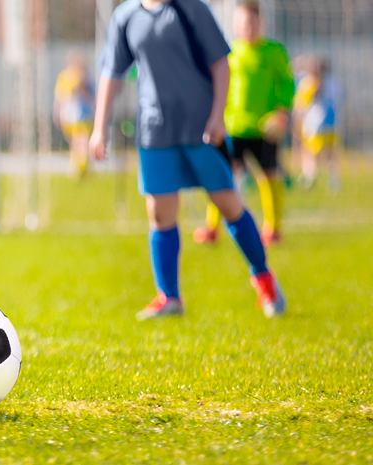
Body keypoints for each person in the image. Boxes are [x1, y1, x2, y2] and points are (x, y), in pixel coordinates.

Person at [89, 0, 284, 321]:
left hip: (202, 129)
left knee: (227, 204)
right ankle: (169, 297)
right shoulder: (125, 16)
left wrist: (218, 116)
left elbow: (221, 63)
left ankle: (264, 279)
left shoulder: (191, 9)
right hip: (154, 132)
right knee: (159, 212)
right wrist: (99, 128)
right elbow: (112, 71)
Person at [193, 0, 293, 246]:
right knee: (222, 176)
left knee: (268, 175)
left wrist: (281, 112)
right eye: (240, 22)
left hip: (264, 128)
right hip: (233, 126)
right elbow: (219, 86)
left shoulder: (274, 52)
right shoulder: (230, 52)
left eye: (250, 21)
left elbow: (287, 84)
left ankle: (272, 228)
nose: (245, 27)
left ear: (260, 22)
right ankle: (212, 226)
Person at [294, 56, 341, 191]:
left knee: (311, 153)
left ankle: (310, 176)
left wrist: (298, 117)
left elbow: (301, 104)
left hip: (315, 125)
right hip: (333, 124)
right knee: (331, 154)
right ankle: (333, 180)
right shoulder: (335, 82)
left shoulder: (309, 83)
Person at [54, 51, 95, 180]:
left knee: (81, 141)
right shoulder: (65, 77)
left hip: (83, 115)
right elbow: (60, 97)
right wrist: (57, 113)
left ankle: (80, 168)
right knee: (76, 143)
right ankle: (78, 167)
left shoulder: (86, 78)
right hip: (70, 116)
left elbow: (92, 97)